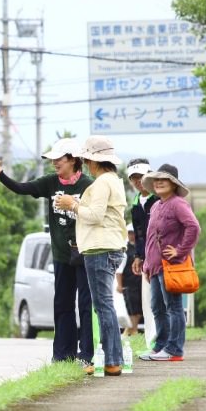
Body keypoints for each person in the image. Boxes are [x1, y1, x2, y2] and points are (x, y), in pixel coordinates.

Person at [0, 137, 94, 370]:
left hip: (85, 253)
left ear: (73, 160)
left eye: (59, 159)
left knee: (86, 304)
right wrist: (0, 175)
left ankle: (86, 352)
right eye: (52, 159)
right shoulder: (50, 182)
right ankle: (62, 354)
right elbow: (23, 189)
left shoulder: (88, 185)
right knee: (63, 303)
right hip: (61, 254)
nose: (54, 163)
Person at [55, 136, 127, 376]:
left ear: (92, 160)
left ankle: (113, 360)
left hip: (99, 248)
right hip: (111, 246)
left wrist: (72, 205)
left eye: (86, 159)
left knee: (103, 306)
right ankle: (110, 358)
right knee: (103, 305)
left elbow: (94, 216)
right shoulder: (113, 180)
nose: (85, 163)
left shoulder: (100, 184)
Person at [139, 164, 201, 362]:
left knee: (173, 307)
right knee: (157, 307)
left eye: (163, 180)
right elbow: (150, 238)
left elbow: (193, 227)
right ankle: (160, 346)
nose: (158, 183)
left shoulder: (178, 203)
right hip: (156, 267)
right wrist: (147, 265)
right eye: (156, 180)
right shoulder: (156, 205)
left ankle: (174, 349)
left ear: (173, 184)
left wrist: (181, 251)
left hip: (172, 265)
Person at [126, 158, 158, 346]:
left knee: (161, 303)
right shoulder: (136, 202)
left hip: (162, 258)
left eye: (141, 177)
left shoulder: (159, 198)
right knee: (147, 302)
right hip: (146, 259)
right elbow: (139, 234)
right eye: (133, 178)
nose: (138, 181)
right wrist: (138, 256)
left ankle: (167, 343)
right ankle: (151, 344)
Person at [116, 224, 142, 336]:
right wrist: (119, 285)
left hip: (140, 283)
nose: (132, 235)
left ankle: (133, 329)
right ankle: (130, 329)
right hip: (128, 283)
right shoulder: (124, 250)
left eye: (134, 232)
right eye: (130, 233)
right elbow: (119, 270)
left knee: (139, 307)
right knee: (131, 307)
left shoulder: (141, 248)